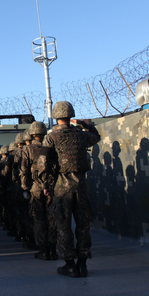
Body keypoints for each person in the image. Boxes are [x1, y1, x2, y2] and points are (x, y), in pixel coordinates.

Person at [43, 101, 100, 278]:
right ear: (70, 114)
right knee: (83, 226)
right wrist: (85, 125)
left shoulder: (51, 137)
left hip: (62, 187)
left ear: (55, 115)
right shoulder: (81, 135)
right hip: (81, 186)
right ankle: (83, 264)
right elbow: (96, 137)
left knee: (63, 227)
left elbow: (43, 163)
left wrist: (46, 185)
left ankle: (69, 265)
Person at [20, 121, 58, 260]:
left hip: (35, 187)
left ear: (32, 133)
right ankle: (53, 249)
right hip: (51, 186)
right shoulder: (50, 146)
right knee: (52, 218)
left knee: (38, 219)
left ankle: (43, 250)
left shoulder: (27, 149)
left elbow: (23, 170)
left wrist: (24, 187)